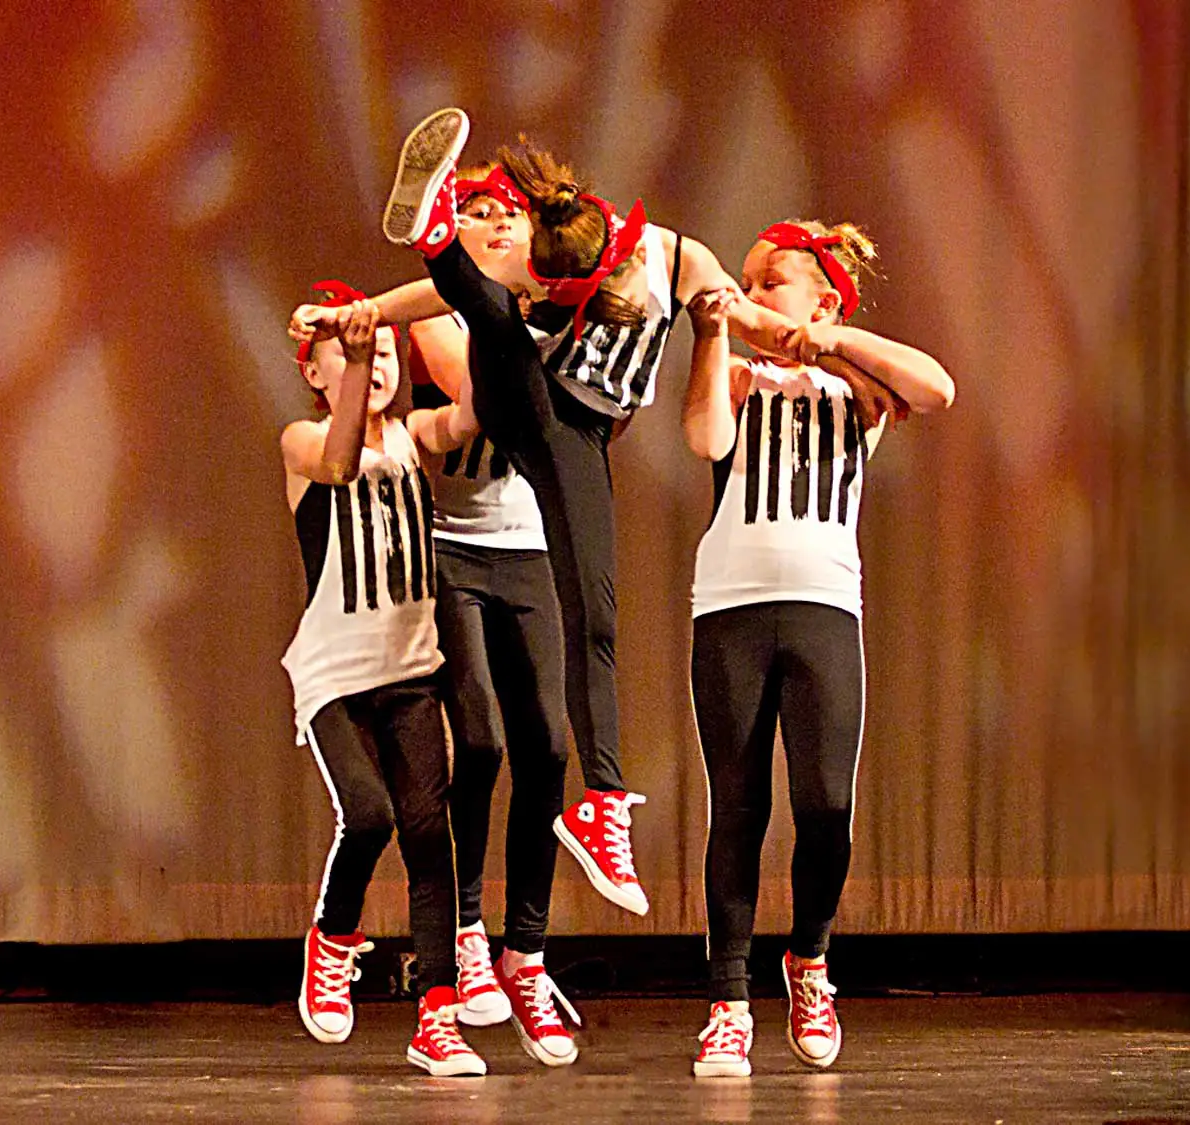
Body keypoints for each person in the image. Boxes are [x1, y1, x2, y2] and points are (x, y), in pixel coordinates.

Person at [293, 107, 817, 918]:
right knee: (498, 321)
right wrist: (348, 314)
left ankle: (602, 802)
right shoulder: (528, 260)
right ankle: (431, 227)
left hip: (579, 436)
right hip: (522, 403)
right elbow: (441, 299)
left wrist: (800, 339)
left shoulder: (677, 258)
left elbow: (744, 318)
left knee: (594, 608)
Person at [681, 221, 954, 1077]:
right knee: (738, 805)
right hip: (730, 603)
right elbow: (705, 440)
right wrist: (717, 328)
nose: (757, 294)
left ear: (823, 299)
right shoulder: (737, 373)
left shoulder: (857, 394)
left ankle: (810, 960)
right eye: (752, 281)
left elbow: (938, 387)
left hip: (825, 606)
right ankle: (729, 1000)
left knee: (826, 803)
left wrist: (828, 339)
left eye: (773, 284)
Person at [279, 290, 490, 1077]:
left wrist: (478, 328)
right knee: (366, 815)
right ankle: (333, 938)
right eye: (352, 356)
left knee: (428, 833)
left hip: (409, 671)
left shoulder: (411, 434)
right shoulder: (301, 438)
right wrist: (359, 345)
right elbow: (336, 464)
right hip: (335, 674)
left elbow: (466, 419)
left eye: (385, 356)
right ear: (315, 370)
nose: (374, 368)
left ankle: (437, 1015)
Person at [410, 162, 580, 1067]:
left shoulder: (559, 320)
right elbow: (482, 405)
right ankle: (467, 932)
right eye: (470, 212)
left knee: (548, 747)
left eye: (503, 212)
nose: (489, 222)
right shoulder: (449, 323)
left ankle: (526, 951)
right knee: (477, 740)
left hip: (533, 556)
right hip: (455, 551)